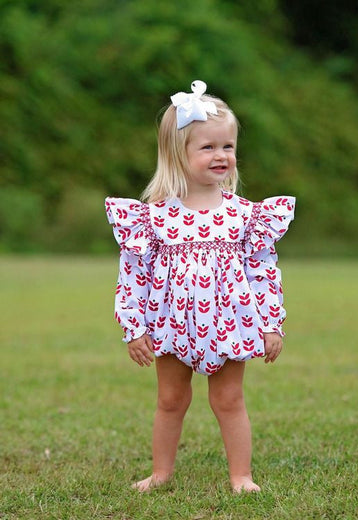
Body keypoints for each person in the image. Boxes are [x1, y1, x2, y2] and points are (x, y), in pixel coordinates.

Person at [105, 80, 295, 493]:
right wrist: (133, 326)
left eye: (227, 147)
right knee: (170, 399)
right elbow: (133, 274)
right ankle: (161, 473)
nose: (221, 155)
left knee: (229, 400)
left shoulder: (245, 216)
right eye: (208, 147)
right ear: (179, 155)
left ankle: (241, 476)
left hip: (230, 321)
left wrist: (271, 323)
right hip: (170, 324)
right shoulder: (153, 218)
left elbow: (263, 270)